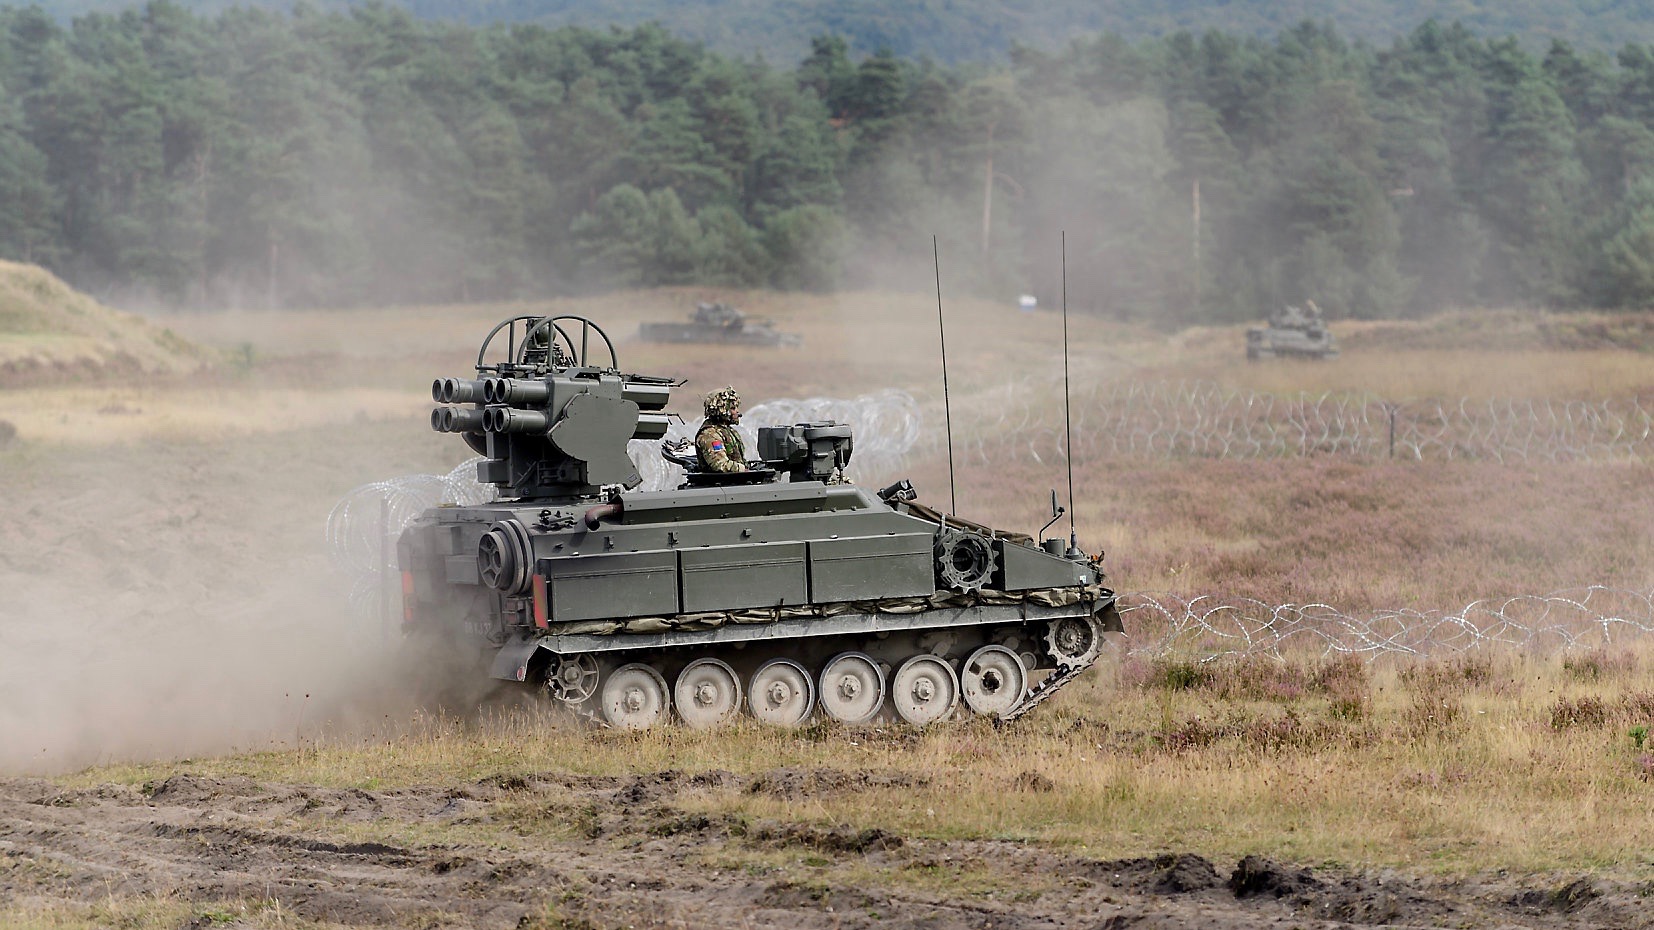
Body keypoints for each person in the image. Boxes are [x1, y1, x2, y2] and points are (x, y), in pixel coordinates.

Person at [696, 386, 748, 472]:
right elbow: (720, 465)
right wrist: (743, 469)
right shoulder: (710, 435)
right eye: (733, 408)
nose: (737, 412)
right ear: (722, 410)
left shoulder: (728, 431)